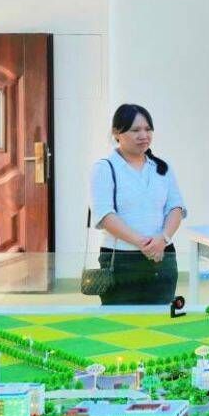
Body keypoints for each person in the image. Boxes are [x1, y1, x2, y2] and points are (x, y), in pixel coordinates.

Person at [89, 104, 185, 305]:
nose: (144, 135)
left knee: (160, 320)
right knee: (120, 322)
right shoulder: (104, 168)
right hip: (120, 261)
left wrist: (163, 239)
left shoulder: (162, 167)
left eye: (148, 129)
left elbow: (176, 208)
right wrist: (142, 243)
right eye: (135, 130)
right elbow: (105, 215)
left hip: (162, 257)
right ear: (117, 132)